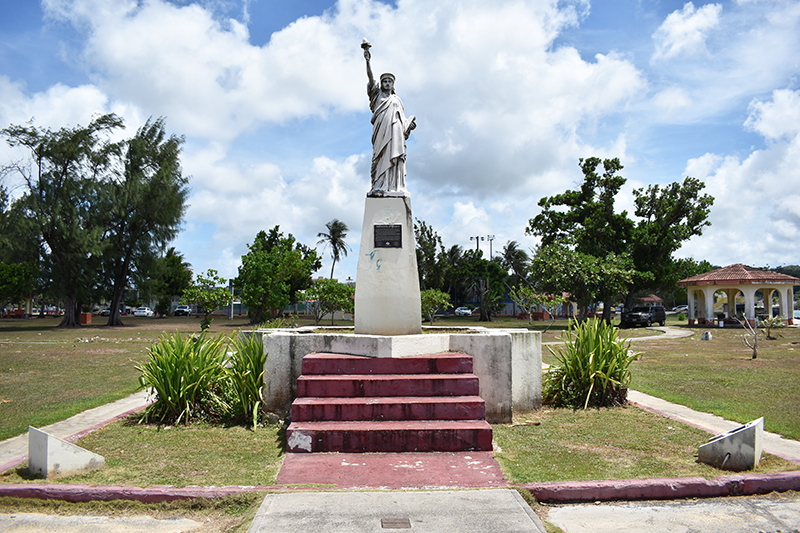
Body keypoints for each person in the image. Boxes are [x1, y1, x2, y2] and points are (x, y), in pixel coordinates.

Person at [364, 46, 416, 196]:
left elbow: (403, 121)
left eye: (389, 81)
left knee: (394, 157)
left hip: (395, 135)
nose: (387, 83)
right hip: (381, 132)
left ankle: (394, 185)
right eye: (384, 81)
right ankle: (379, 185)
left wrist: (409, 126)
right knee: (380, 158)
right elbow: (370, 78)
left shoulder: (397, 100)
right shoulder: (377, 96)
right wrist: (368, 61)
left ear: (393, 85)